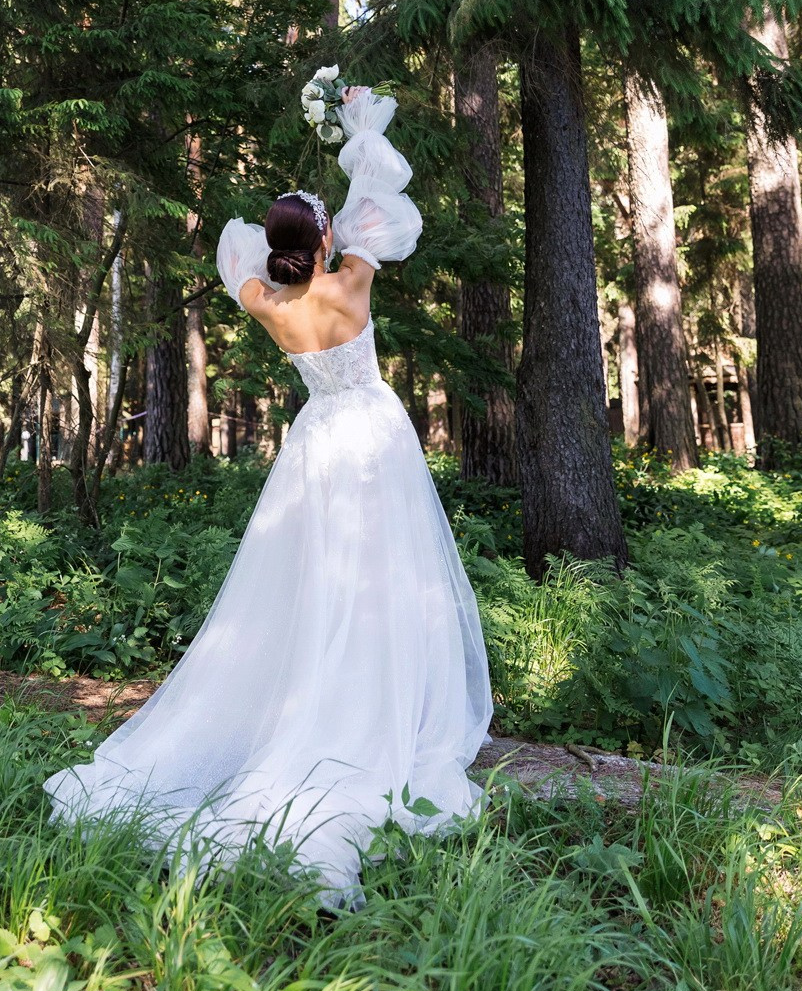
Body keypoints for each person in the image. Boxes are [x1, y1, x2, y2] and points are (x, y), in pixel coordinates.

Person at [45, 86, 493, 907]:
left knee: (313, 580)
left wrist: (299, 225)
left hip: (317, 442)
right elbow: (381, 212)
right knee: (385, 572)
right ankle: (382, 705)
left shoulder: (272, 307)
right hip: (372, 440)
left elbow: (245, 260)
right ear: (325, 240)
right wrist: (359, 129)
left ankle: (318, 688)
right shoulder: (349, 287)